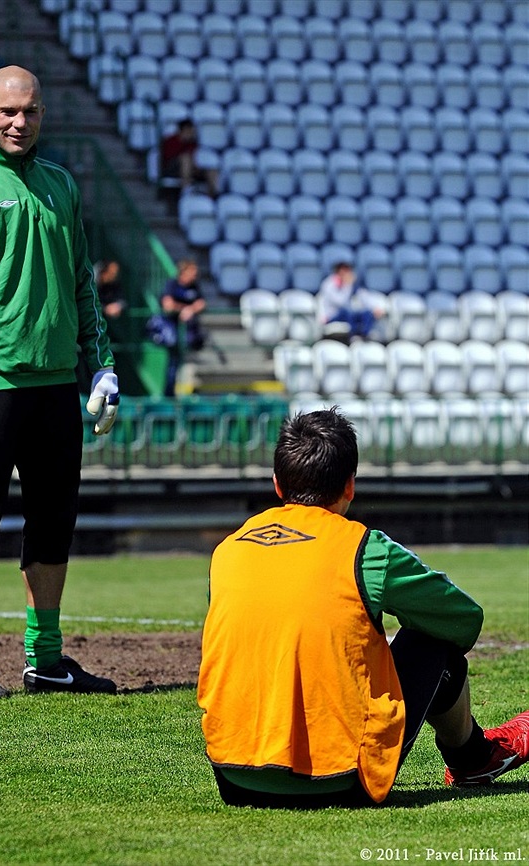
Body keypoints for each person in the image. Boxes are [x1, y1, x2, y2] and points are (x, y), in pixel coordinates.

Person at [198, 408, 528, 808]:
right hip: (342, 779)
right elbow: (463, 620)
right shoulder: (366, 548)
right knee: (432, 643)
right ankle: (474, 758)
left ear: (277, 485)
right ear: (350, 486)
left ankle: (474, 755)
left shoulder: (227, 550)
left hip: (233, 776)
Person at [0, 66, 120, 700]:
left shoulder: (61, 184)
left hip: (59, 382)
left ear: (42, 115)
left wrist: (103, 363)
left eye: (29, 111)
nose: (18, 122)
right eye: (7, 112)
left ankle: (47, 660)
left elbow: (83, 282)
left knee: (54, 523)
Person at [160, 258, 207, 397]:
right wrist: (184, 309)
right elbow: (167, 305)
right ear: (183, 272)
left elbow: (201, 303)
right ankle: (169, 396)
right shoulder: (172, 285)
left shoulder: (195, 286)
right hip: (174, 332)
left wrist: (190, 310)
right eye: (192, 272)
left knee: (189, 364)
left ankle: (188, 394)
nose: (195, 275)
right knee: (173, 365)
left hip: (190, 334)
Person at [317, 261, 387, 342]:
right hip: (332, 316)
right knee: (347, 311)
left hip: (349, 315)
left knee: (367, 312)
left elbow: (364, 296)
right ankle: (353, 336)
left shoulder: (352, 284)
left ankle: (364, 335)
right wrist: (348, 285)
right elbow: (341, 302)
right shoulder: (329, 284)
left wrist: (376, 308)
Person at [160, 118, 220, 198]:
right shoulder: (170, 141)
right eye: (189, 131)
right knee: (185, 158)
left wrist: (195, 167)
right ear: (182, 130)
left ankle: (213, 197)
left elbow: (195, 159)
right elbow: (167, 158)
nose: (191, 133)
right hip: (172, 168)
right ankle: (186, 190)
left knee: (212, 171)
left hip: (191, 167)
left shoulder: (193, 144)